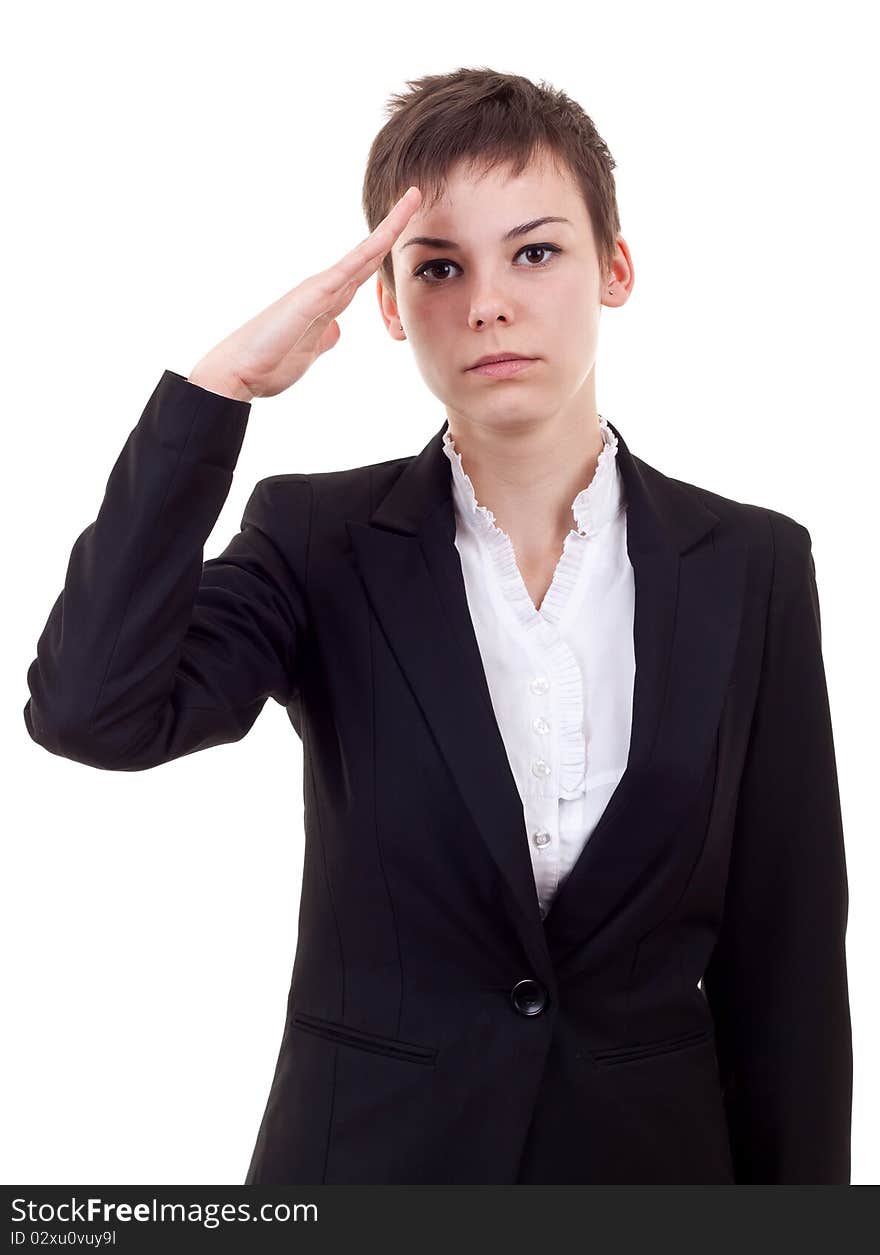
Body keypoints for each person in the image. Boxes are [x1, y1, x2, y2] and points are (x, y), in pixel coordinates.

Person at [23, 67, 852, 1184]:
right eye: (438, 267)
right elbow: (93, 712)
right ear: (385, 301)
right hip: (369, 1172)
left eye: (536, 251)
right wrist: (218, 391)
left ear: (615, 267)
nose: (488, 303)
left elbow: (786, 958)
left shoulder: (752, 564)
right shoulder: (316, 538)